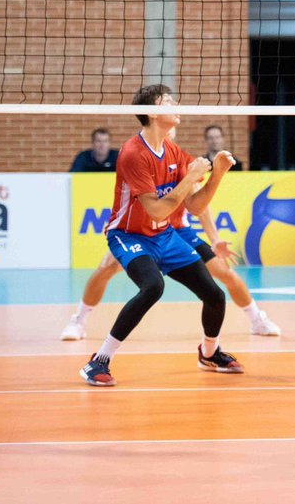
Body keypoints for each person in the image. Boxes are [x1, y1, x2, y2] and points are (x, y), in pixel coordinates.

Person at [80, 84, 241, 386]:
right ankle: (99, 360)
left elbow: (193, 206)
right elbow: (156, 210)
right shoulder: (132, 153)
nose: (176, 104)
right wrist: (192, 176)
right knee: (152, 287)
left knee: (215, 294)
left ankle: (209, 352)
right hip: (128, 235)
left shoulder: (174, 152)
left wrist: (217, 175)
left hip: (165, 236)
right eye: (168, 101)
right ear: (153, 112)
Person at [61, 128, 279, 342]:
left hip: (178, 232)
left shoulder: (182, 160)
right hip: (142, 233)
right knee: (106, 267)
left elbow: (198, 205)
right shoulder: (137, 157)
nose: (170, 128)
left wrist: (215, 239)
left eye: (173, 127)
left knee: (224, 273)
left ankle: (256, 319)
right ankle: (78, 320)